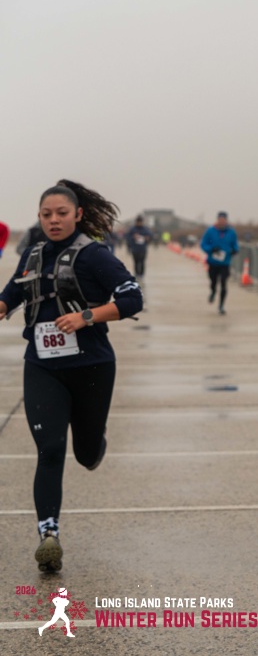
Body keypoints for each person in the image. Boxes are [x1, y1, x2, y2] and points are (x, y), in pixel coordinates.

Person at [0, 179, 143, 573]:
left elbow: (132, 298)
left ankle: (95, 442)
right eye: (46, 214)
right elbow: (11, 294)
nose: (54, 220)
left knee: (85, 453)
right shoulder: (33, 254)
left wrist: (86, 316)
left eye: (61, 213)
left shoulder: (94, 255)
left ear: (77, 214)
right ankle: (49, 535)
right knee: (49, 449)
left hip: (91, 366)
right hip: (43, 366)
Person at [200, 211, 239, 314]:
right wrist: (211, 249)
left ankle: (221, 306)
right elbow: (203, 244)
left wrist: (235, 250)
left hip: (225, 263)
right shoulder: (210, 231)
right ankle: (213, 292)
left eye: (223, 219)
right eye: (220, 219)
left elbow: (235, 245)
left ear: (226, 220)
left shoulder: (231, 232)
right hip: (213, 262)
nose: (222, 221)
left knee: (223, 283)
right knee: (213, 281)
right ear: (217, 220)